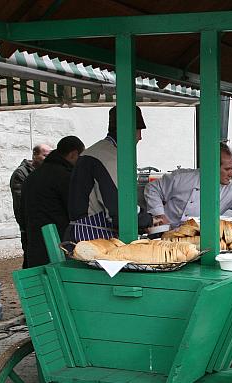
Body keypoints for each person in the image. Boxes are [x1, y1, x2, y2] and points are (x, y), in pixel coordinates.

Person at [68, 106, 151, 240]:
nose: (140, 137)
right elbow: (120, 209)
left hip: (87, 231)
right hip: (92, 236)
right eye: (139, 130)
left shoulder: (98, 151)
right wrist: (148, 220)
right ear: (128, 130)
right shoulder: (108, 156)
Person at [21, 137, 84, 267]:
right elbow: (76, 212)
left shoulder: (32, 176)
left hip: (34, 244)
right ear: (73, 154)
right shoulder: (66, 177)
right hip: (59, 245)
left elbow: (21, 212)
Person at [10, 143, 52, 266]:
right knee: (30, 260)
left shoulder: (47, 172)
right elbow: (20, 205)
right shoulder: (21, 174)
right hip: (29, 227)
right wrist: (25, 226)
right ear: (35, 155)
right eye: (45, 155)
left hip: (44, 224)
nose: (48, 159)